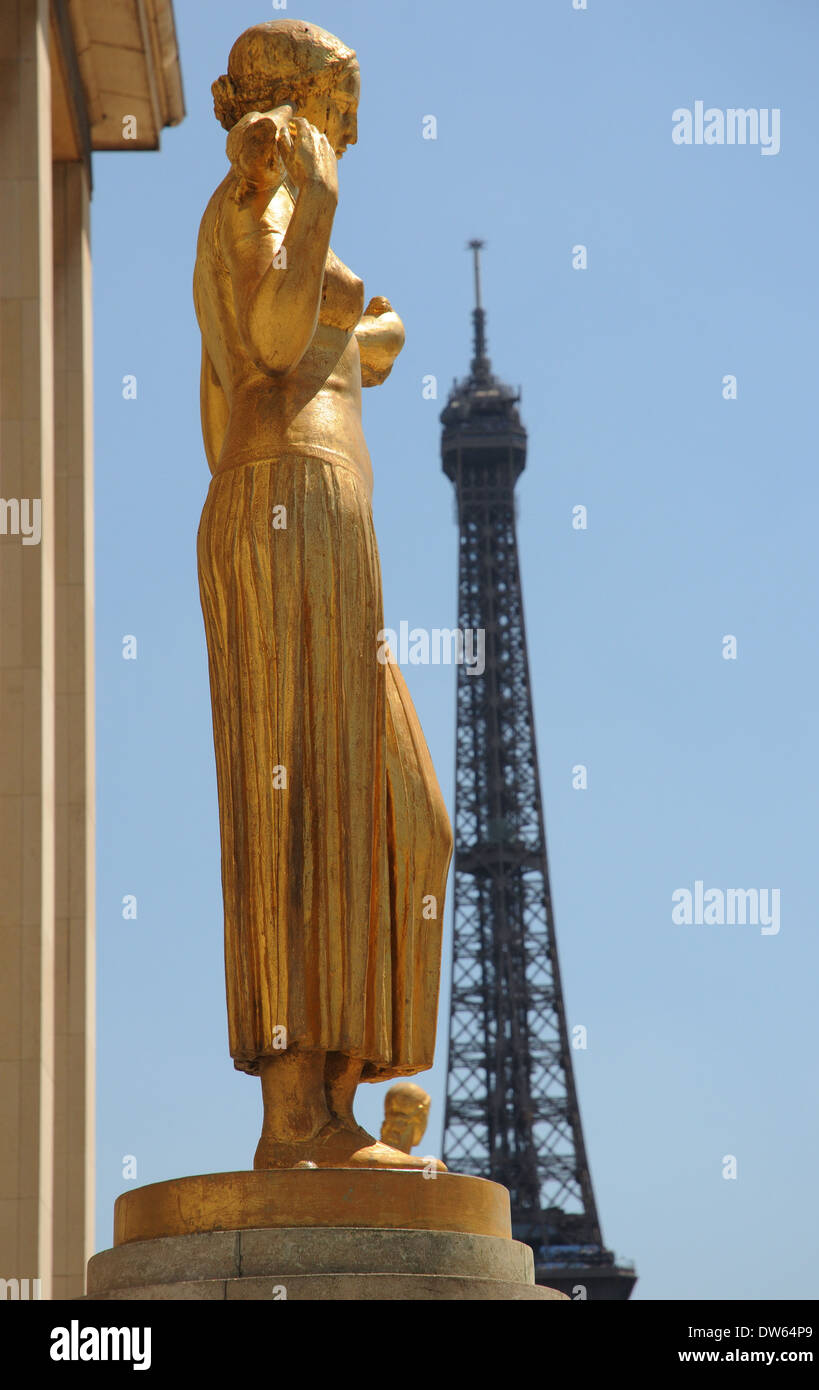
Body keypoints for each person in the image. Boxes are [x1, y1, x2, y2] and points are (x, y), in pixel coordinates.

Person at [194, 20, 452, 1170]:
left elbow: (376, 335)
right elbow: (274, 328)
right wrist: (322, 204)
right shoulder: (262, 195)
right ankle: (298, 1115)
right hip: (284, 497)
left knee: (404, 815)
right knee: (295, 793)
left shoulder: (278, 205)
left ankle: (336, 1091)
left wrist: (353, 301)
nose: (348, 132)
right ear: (300, 106)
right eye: (339, 110)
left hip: (326, 509)